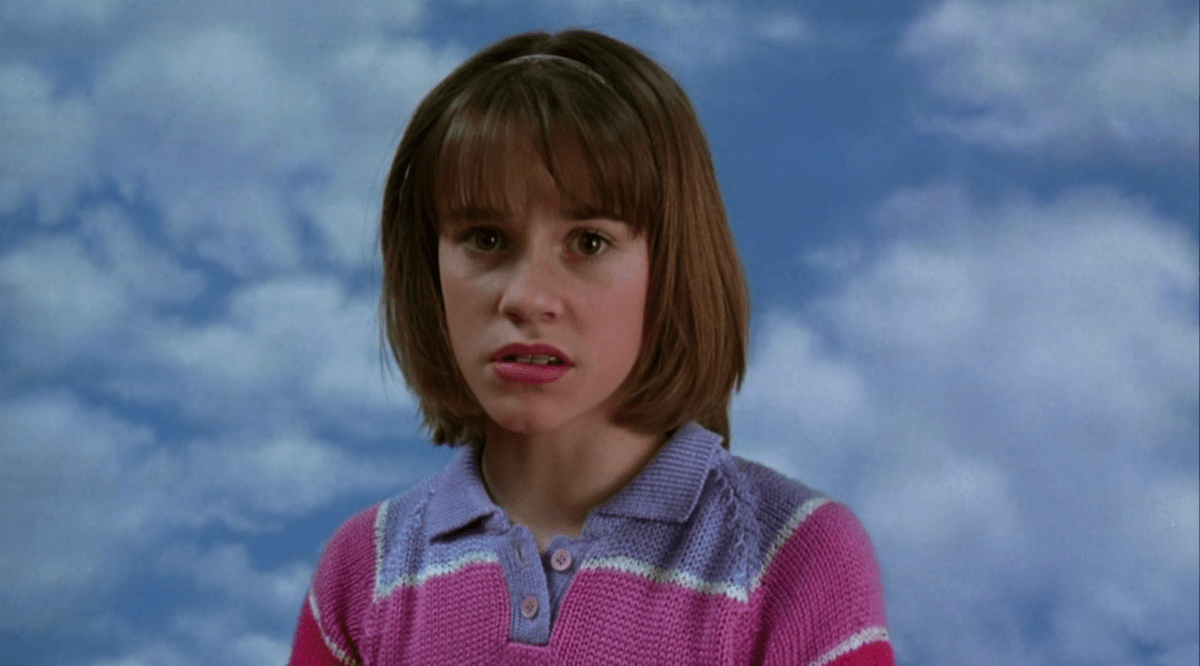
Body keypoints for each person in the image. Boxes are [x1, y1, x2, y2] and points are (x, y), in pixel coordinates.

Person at [288, 29, 893, 666]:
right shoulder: (362, 575)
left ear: (673, 265)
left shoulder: (793, 558)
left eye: (589, 242)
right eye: (486, 239)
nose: (526, 296)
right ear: (428, 267)